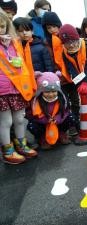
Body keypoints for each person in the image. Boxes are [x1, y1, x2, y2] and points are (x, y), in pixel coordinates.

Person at [0, 12, 37, 164]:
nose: (0, 30)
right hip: (2, 91)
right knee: (6, 121)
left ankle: (21, 145)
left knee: (20, 119)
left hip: (17, 88)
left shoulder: (14, 43)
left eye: (2, 26)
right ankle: (8, 151)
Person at [59, 24, 87, 142]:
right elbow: (71, 70)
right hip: (78, 79)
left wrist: (85, 82)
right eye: (67, 43)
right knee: (82, 102)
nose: (72, 45)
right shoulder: (65, 53)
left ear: (77, 37)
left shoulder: (86, 46)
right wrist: (80, 84)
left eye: (73, 41)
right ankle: (82, 127)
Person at [26, 72, 74, 149]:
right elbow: (30, 115)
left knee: (71, 117)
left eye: (54, 91)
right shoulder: (35, 101)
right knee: (31, 125)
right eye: (47, 92)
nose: (51, 94)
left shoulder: (62, 99)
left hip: (58, 122)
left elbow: (66, 112)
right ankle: (42, 138)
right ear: (41, 91)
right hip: (42, 124)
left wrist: (58, 119)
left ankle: (61, 133)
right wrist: (45, 120)